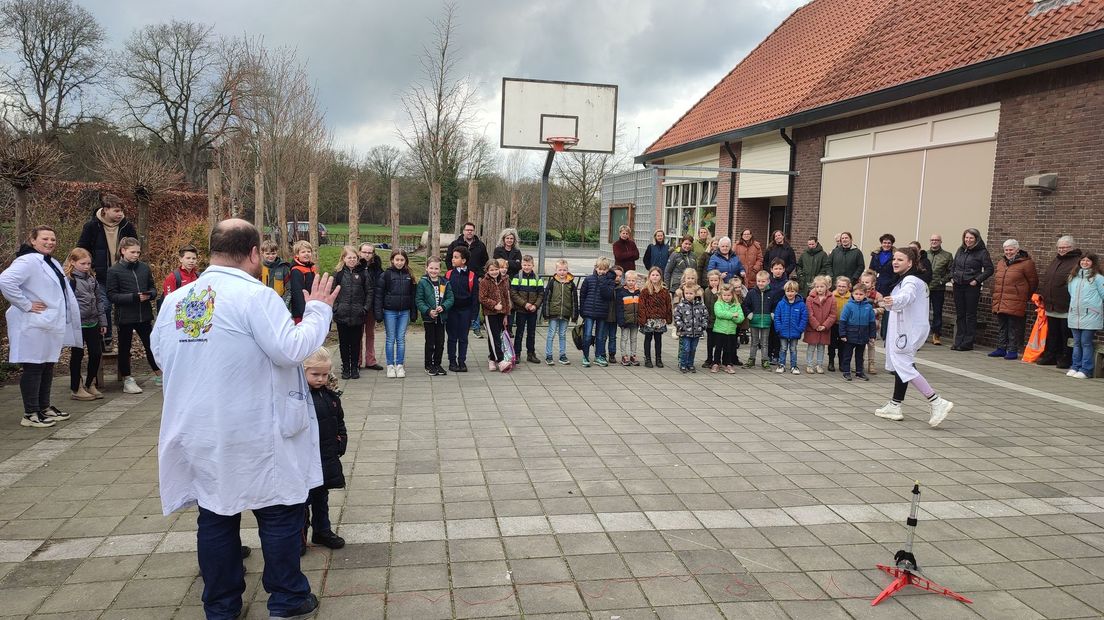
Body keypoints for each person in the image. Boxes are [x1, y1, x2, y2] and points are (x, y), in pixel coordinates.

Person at [153, 219, 337, 620]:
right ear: (254, 253)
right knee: (279, 511)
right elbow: (290, 350)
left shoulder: (178, 301)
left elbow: (163, 357)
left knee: (216, 513)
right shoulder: (256, 296)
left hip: (201, 428)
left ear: (212, 250)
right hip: (255, 429)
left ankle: (221, 606)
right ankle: (288, 598)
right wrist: (319, 310)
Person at [0, 226, 81, 427]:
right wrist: (26, 304)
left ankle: (44, 406)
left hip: (48, 323)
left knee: (47, 365)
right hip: (33, 324)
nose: (50, 242)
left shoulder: (50, 262)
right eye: (45, 238)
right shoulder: (27, 261)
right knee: (34, 366)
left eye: (53, 239)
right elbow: (6, 280)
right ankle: (30, 413)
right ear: (33, 240)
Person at [874, 246, 954, 427]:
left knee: (904, 366)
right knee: (901, 366)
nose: (895, 262)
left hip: (906, 332)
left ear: (910, 263)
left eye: (900, 259)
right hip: (904, 329)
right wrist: (885, 303)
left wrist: (893, 301)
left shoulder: (910, 280)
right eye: (894, 258)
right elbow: (900, 303)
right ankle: (895, 404)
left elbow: (906, 298)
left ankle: (936, 401)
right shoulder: (907, 281)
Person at [301, 348, 347, 554]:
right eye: (315, 374)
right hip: (304, 458)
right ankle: (299, 537)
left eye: (324, 374)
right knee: (302, 502)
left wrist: (341, 441)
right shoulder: (298, 397)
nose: (320, 379)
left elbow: (339, 421)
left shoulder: (331, 396)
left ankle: (322, 530)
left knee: (322, 497)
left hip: (326, 455)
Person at [77, 192, 136, 350]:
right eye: (116, 211)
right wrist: (89, 267)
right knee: (104, 306)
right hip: (101, 275)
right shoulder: (92, 226)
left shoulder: (127, 226)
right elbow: (82, 248)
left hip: (123, 273)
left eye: (122, 211)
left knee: (124, 308)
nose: (120, 214)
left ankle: (125, 344)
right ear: (105, 210)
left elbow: (135, 246)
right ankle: (107, 339)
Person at [107, 237, 160, 393]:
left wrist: (149, 295)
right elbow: (112, 295)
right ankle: (127, 378)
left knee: (152, 345)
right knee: (125, 348)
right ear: (123, 251)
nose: (136, 255)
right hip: (125, 316)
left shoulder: (144, 268)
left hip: (144, 314)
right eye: (132, 252)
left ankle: (159, 373)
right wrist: (133, 297)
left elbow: (153, 288)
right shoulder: (114, 270)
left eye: (138, 252)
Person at [63, 248, 106, 401]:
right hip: (77, 324)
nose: (87, 266)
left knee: (96, 353)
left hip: (93, 322)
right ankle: (76, 387)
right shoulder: (69, 280)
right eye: (83, 263)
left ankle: (90, 383)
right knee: (77, 355)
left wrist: (103, 321)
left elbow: (99, 300)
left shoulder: (92, 279)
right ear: (73, 262)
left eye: (89, 263)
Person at [1036, 236, 1082, 367]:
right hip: (1051, 305)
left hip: (1066, 306)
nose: (1062, 250)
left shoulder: (1077, 262)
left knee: (1065, 334)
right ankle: (1051, 355)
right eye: (1059, 247)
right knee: (1052, 333)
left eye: (1065, 247)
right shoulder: (1056, 260)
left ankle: (1065, 358)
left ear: (1072, 247)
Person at [989, 239, 1038, 361]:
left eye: (1011, 250)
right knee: (1002, 325)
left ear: (1017, 249)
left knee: (1013, 327)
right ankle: (1001, 348)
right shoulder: (1001, 262)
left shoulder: (1027, 263)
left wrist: (1023, 295)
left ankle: (1012, 350)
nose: (1008, 252)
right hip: (1001, 299)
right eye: (1006, 250)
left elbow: (1033, 282)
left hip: (1016, 299)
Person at [374, 250, 416, 378]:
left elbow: (413, 296)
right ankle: (390, 366)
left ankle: (400, 365)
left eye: (402, 260)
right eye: (397, 260)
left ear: (405, 261)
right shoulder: (386, 274)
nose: (399, 262)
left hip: (404, 312)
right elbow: (379, 295)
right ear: (392, 260)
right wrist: (378, 313)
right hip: (389, 311)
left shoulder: (409, 275)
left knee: (401, 339)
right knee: (390, 339)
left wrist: (414, 312)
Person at [950, 228, 993, 351]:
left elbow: (989, 269)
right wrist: (952, 277)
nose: (968, 240)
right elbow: (953, 266)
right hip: (958, 285)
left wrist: (977, 280)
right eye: (966, 237)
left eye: (971, 238)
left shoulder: (982, 252)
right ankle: (958, 341)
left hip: (971, 287)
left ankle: (967, 342)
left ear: (976, 239)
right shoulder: (960, 250)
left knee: (970, 315)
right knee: (960, 314)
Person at [331, 246, 370, 379]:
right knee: (343, 342)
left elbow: (369, 292)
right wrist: (336, 307)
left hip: (358, 314)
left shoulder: (364, 273)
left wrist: (364, 308)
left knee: (356, 342)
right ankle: (346, 367)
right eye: (349, 257)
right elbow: (332, 292)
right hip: (342, 314)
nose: (352, 260)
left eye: (354, 257)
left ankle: (354, 367)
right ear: (344, 258)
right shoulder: (338, 273)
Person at [446, 222, 489, 338]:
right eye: (467, 230)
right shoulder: (455, 244)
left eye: (471, 230)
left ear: (474, 232)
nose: (469, 232)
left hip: (475, 278)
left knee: (476, 301)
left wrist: (480, 275)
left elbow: (485, 262)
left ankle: (475, 327)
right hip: (459, 277)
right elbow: (448, 259)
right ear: (463, 231)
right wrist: (452, 272)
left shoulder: (480, 246)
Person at [1066, 252, 1104, 379]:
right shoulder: (1073, 277)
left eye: (1088, 261)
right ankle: (1075, 366)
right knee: (1077, 342)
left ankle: (1086, 369)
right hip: (1075, 315)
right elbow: (1071, 293)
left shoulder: (1098, 278)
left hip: (1091, 316)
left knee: (1086, 342)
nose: (1085, 263)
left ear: (1093, 263)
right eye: (1083, 260)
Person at [415, 256, 454, 376]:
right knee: (430, 342)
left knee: (440, 342)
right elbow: (419, 300)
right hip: (429, 319)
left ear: (440, 269)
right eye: (431, 268)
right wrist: (428, 311)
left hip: (441, 318)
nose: (433, 271)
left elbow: (450, 298)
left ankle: (437, 364)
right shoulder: (423, 282)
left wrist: (444, 307)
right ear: (426, 268)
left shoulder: (445, 282)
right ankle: (428, 365)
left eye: (436, 268)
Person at [445, 246, 478, 373]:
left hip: (466, 311)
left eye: (456, 257)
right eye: (453, 257)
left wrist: (474, 315)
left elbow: (475, 297)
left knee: (463, 337)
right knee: (452, 337)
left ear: (463, 260)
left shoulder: (471, 276)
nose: (452, 259)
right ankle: (452, 361)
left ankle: (462, 361)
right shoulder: (448, 274)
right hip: (451, 311)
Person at [578, 257, 616, 367]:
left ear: (608, 270)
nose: (601, 271)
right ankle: (585, 356)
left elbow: (608, 295)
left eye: (604, 269)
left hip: (602, 312)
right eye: (600, 269)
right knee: (588, 335)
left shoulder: (610, 281)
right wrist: (582, 310)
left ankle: (598, 356)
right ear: (596, 268)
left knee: (600, 336)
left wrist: (603, 282)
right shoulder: (589, 279)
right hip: (589, 312)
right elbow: (583, 295)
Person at [838, 282, 876, 381]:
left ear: (865, 294)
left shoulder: (868, 307)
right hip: (850, 334)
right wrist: (842, 334)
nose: (858, 296)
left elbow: (872, 322)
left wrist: (872, 335)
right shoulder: (848, 306)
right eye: (856, 294)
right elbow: (843, 320)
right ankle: (846, 371)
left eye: (861, 294)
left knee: (860, 356)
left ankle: (859, 372)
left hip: (863, 335)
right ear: (852, 294)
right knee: (847, 355)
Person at [479, 258, 512, 372]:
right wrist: (494, 305)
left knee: (495, 337)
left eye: (496, 269)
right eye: (491, 270)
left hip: (501, 314)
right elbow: (482, 298)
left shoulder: (503, 281)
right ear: (487, 270)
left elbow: (506, 298)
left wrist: (506, 314)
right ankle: (501, 361)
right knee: (495, 337)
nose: (494, 272)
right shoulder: (484, 282)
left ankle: (492, 359)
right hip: (490, 313)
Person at [510, 255, 544, 364]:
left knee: (531, 333)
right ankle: (517, 354)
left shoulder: (537, 278)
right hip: (521, 310)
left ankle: (531, 354)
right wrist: (525, 304)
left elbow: (541, 294)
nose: (527, 267)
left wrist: (535, 305)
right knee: (519, 332)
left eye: (529, 265)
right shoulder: (517, 277)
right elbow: (513, 293)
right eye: (524, 265)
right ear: (521, 265)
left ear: (533, 265)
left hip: (533, 311)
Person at [543, 259, 577, 365]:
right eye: (560, 270)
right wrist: (546, 313)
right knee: (551, 334)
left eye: (564, 270)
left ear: (568, 270)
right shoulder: (552, 282)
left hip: (565, 313)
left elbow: (574, 300)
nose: (562, 272)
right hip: (553, 313)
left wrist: (574, 315)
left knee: (562, 334)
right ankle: (549, 355)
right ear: (556, 270)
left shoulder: (571, 284)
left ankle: (562, 355)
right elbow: (547, 298)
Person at [356, 242, 384, 370]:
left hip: (372, 305)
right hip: (358, 305)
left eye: (369, 252)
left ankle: (371, 360)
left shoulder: (377, 268)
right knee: (358, 333)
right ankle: (357, 360)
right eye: (364, 252)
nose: (367, 255)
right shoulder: (355, 267)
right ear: (360, 252)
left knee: (370, 333)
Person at [638, 266, 672, 369]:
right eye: (653, 275)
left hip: (660, 319)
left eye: (657, 275)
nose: (655, 277)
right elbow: (641, 306)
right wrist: (642, 319)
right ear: (649, 276)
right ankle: (647, 358)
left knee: (658, 339)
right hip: (649, 319)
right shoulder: (645, 290)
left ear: (660, 277)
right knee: (648, 338)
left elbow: (668, 305)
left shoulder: (664, 291)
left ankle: (658, 359)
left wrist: (668, 317)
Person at [773, 280, 808, 374]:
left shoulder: (801, 304)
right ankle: (781, 364)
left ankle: (794, 366)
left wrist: (800, 329)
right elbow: (777, 317)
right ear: (785, 292)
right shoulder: (781, 304)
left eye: (792, 291)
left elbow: (804, 318)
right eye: (788, 291)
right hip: (783, 331)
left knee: (793, 349)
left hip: (795, 331)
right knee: (783, 348)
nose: (790, 293)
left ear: (796, 292)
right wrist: (779, 328)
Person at [743, 271, 775, 370]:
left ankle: (765, 360)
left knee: (765, 342)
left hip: (766, 321)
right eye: (759, 281)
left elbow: (775, 306)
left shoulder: (772, 293)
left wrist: (772, 314)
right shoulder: (751, 293)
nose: (761, 283)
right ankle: (751, 359)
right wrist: (749, 314)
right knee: (754, 342)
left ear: (768, 281)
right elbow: (745, 305)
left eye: (763, 281)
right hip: (754, 321)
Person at [804, 275, 836, 374]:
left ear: (827, 286)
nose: (819, 289)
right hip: (812, 328)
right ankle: (809, 365)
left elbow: (833, 314)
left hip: (824, 329)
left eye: (822, 286)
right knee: (811, 347)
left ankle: (819, 365)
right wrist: (816, 325)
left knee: (821, 348)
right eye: (817, 287)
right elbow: (809, 313)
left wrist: (825, 325)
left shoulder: (832, 299)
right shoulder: (810, 298)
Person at [673, 282, 707, 373]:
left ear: (695, 294)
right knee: (686, 348)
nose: (688, 295)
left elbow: (705, 316)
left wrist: (703, 325)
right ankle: (683, 364)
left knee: (693, 349)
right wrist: (681, 326)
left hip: (696, 331)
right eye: (686, 293)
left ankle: (690, 364)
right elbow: (677, 317)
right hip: (685, 332)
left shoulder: (701, 305)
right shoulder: (681, 306)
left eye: (691, 293)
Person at [712, 283, 745, 374]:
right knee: (718, 348)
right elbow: (719, 313)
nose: (726, 297)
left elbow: (741, 317)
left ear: (732, 295)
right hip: (719, 330)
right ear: (721, 295)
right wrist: (732, 315)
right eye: (725, 295)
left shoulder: (736, 305)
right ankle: (716, 363)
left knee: (729, 348)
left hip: (731, 331)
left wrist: (735, 317)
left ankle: (727, 364)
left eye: (729, 295)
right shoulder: (718, 303)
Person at [927, 234, 953, 345]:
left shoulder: (947, 255)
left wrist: (942, 281)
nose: (934, 242)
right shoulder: (925, 254)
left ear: (941, 241)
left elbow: (951, 271)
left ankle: (936, 335)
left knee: (937, 312)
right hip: (925, 288)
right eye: (932, 240)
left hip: (938, 288)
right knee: (923, 312)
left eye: (936, 240)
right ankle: (923, 334)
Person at [615, 270, 641, 366]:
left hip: (635, 320)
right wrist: (621, 320)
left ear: (636, 281)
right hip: (625, 320)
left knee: (634, 339)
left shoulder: (638, 292)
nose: (631, 282)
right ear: (625, 280)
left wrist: (640, 319)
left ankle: (633, 355)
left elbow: (641, 307)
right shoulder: (622, 292)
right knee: (624, 338)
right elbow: (619, 308)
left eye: (633, 280)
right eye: (629, 280)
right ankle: (624, 355)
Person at [289, 240, 317, 325]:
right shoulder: (296, 270)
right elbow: (297, 294)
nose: (306, 254)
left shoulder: (310, 267)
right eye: (303, 252)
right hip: (302, 311)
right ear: (297, 255)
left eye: (308, 251)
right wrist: (304, 312)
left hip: (312, 307)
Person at [827, 276, 851, 372]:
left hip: (845, 325)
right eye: (839, 286)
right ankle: (831, 362)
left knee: (843, 345)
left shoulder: (851, 298)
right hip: (833, 324)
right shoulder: (832, 296)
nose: (841, 288)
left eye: (844, 286)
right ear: (836, 286)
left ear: (848, 287)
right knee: (831, 344)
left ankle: (842, 363)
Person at [260, 240, 292, 309]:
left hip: (280, 304)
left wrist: (283, 304)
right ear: (262, 253)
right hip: (262, 304)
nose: (271, 256)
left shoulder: (284, 267)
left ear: (277, 252)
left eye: (273, 253)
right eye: (267, 254)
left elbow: (289, 289)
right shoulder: (258, 268)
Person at [702, 270, 722, 368]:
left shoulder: (721, 291)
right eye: (712, 280)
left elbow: (721, 304)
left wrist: (716, 294)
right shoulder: (706, 291)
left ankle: (716, 360)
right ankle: (709, 358)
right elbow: (705, 305)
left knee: (718, 342)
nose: (714, 282)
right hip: (709, 320)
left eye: (716, 280)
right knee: (710, 341)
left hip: (719, 321)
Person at [870, 234, 896, 299]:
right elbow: (871, 269)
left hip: (889, 285)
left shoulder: (895, 256)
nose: (886, 245)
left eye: (889, 243)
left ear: (892, 244)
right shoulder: (875, 254)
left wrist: (892, 283)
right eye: (884, 243)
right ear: (881, 243)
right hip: (876, 284)